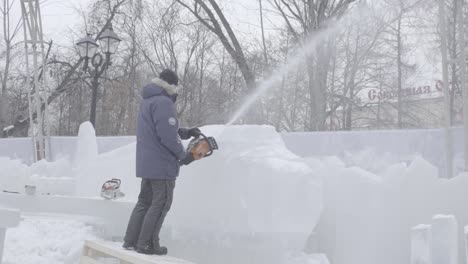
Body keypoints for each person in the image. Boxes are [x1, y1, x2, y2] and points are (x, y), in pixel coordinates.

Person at [123, 69, 200, 255]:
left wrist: (186, 132)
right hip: (162, 164)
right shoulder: (164, 102)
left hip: (147, 163)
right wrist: (183, 155)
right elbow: (166, 135)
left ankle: (131, 241)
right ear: (172, 86)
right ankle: (148, 243)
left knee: (144, 202)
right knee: (161, 203)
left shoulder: (148, 101)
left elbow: (159, 128)